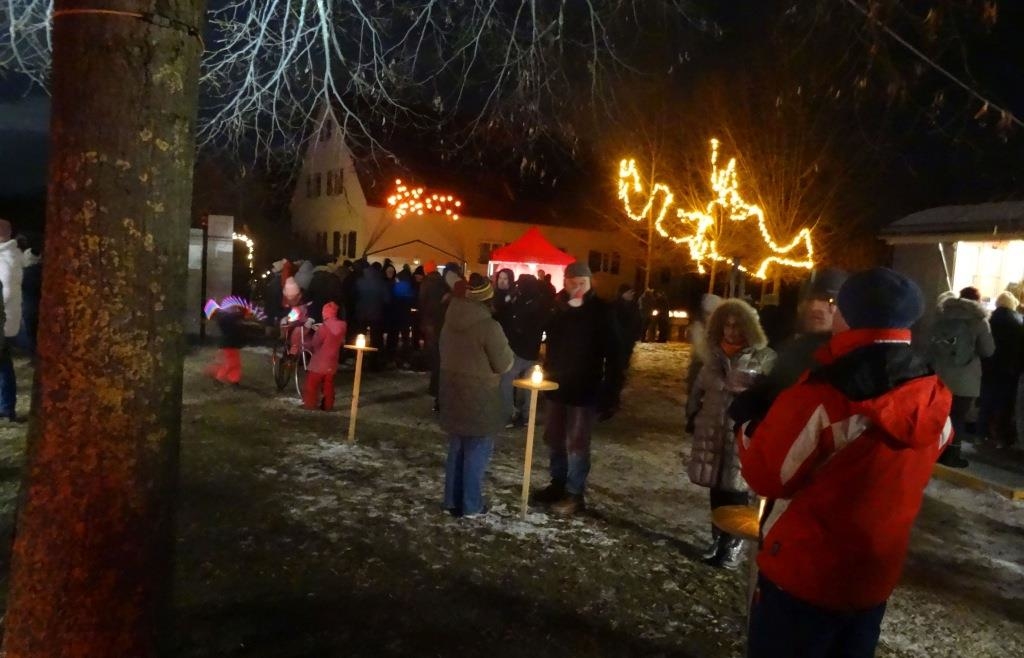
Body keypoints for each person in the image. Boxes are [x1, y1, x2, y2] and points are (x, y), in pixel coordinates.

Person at [739, 268, 951, 658]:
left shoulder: (825, 395)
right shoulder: (931, 390)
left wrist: (748, 427)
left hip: (805, 575)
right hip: (873, 576)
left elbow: (766, 475)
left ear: (848, 315)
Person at [685, 299, 776, 569]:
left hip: (741, 433)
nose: (732, 331)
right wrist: (692, 416)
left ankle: (733, 544)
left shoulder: (764, 358)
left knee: (736, 490)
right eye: (727, 325)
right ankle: (718, 538)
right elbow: (696, 390)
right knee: (716, 487)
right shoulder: (712, 356)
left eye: (738, 326)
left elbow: (771, 396)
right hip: (712, 430)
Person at [532, 261, 624, 515]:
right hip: (556, 386)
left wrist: (611, 391)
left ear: (589, 283)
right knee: (555, 438)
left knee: (577, 443)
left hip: (584, 389)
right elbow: (543, 332)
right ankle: (558, 483)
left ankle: (574, 493)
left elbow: (615, 355)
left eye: (582, 283)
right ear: (565, 282)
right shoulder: (557, 308)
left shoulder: (601, 311)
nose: (577, 288)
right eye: (572, 283)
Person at [728, 268, 848, 433]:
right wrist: (756, 392)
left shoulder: (846, 356)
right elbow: (781, 392)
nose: (816, 306)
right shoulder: (793, 347)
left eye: (829, 300)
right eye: (810, 299)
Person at [439, 273, 514, 517]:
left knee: (457, 448)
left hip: (452, 391)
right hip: (480, 395)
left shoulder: (449, 319)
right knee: (477, 451)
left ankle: (452, 501)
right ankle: (471, 505)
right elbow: (504, 364)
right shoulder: (489, 327)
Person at [926, 286, 994, 467]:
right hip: (965, 378)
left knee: (939, 414)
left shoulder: (941, 316)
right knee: (957, 416)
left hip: (938, 375)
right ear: (977, 301)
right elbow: (988, 351)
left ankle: (932, 451)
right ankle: (952, 455)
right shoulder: (979, 321)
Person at [499, 274, 554, 428]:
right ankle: (528, 415)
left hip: (519, 349)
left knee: (506, 380)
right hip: (532, 350)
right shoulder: (541, 302)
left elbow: (515, 321)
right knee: (530, 385)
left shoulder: (525, 301)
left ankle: (509, 414)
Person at [979, 291, 1022, 447]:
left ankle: (981, 434)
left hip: (989, 368)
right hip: (1008, 371)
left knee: (986, 402)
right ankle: (999, 437)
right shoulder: (1018, 322)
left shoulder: (989, 320)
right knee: (1003, 405)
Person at [303, 302, 347, 411]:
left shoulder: (324, 327)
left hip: (320, 362)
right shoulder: (342, 326)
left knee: (312, 384)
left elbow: (316, 343)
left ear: (326, 313)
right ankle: (328, 406)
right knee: (328, 385)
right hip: (332, 361)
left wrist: (314, 335)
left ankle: (310, 405)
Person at [0, 219, 23, 421]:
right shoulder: (9, 254)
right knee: (3, 363)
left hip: (3, 320)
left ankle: (7, 407)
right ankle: (6, 407)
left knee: (3, 364)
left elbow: (6, 289)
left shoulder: (7, 257)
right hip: (5, 318)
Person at [418, 260, 447, 411]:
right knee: (440, 355)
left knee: (434, 355)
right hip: (442, 323)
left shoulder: (427, 283)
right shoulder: (443, 282)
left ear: (426, 270)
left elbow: (421, 302)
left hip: (430, 322)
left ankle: (434, 387)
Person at [613, 284, 643, 368]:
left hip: (630, 338)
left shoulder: (634, 305)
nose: (632, 294)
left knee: (626, 357)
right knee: (618, 360)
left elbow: (638, 320)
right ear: (623, 293)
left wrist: (637, 333)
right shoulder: (615, 306)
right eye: (630, 292)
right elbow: (614, 322)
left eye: (632, 292)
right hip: (619, 339)